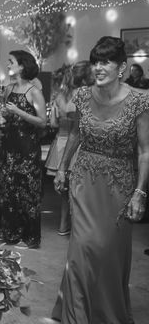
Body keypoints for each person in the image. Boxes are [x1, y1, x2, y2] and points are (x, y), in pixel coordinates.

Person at [51, 36, 149, 324]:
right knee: (81, 250)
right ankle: (75, 317)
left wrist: (140, 193)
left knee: (107, 255)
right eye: (95, 61)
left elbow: (145, 152)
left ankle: (107, 313)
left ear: (122, 66)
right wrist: (62, 168)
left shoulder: (140, 101)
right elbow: (77, 134)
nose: (98, 67)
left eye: (105, 61)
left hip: (118, 185)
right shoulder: (82, 96)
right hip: (84, 180)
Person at [0, 50, 47, 249]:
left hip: (27, 149)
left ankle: (29, 237)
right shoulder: (8, 89)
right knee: (8, 188)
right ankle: (9, 232)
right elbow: (7, 115)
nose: (8, 65)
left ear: (22, 66)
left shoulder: (34, 92)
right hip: (9, 145)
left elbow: (43, 122)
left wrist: (18, 112)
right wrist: (5, 111)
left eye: (11, 62)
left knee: (26, 191)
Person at [45, 61, 94, 236]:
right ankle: (79, 227)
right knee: (80, 188)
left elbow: (52, 123)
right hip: (79, 145)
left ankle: (63, 225)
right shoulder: (88, 95)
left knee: (64, 190)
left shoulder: (60, 95)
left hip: (60, 142)